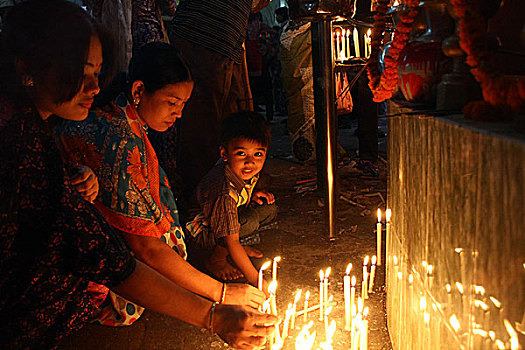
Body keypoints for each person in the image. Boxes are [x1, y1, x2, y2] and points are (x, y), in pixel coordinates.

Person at [0, 1, 277, 349]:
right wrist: (216, 308)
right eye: (81, 72)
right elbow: (125, 254)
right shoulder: (38, 139)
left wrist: (77, 176)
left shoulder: (37, 123)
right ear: (28, 68)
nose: (94, 88)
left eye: (97, 75)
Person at [56, 42, 266, 326]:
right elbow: (145, 248)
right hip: (70, 261)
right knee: (140, 287)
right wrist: (221, 294)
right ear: (139, 91)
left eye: (182, 105)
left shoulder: (126, 121)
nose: (178, 114)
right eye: (171, 102)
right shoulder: (118, 139)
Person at [159, 0, 270, 203]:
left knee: (233, 119)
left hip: (228, 37)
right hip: (204, 34)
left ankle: (236, 194)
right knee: (201, 124)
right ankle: (204, 203)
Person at [186, 111, 277, 287]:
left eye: (258, 154)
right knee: (248, 221)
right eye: (241, 153)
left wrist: (252, 195)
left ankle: (235, 250)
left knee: (268, 210)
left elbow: (240, 195)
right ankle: (217, 258)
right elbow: (230, 231)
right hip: (201, 230)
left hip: (225, 218)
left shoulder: (242, 171)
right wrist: (256, 280)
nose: (250, 162)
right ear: (224, 153)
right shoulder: (222, 191)